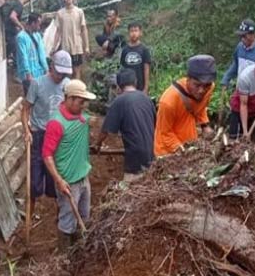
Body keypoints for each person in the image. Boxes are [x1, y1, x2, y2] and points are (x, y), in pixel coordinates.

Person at [42, 79, 96, 249]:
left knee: (84, 215)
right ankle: (64, 258)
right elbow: (47, 155)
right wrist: (59, 181)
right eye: (81, 102)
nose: (83, 106)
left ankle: (79, 251)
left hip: (83, 177)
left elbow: (90, 120)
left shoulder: (82, 117)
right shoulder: (56, 123)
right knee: (67, 220)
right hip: (68, 182)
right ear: (70, 99)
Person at [21, 50, 72, 215]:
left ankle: (61, 216)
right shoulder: (37, 84)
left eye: (64, 74)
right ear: (51, 67)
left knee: (56, 179)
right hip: (39, 135)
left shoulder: (67, 85)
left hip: (57, 137)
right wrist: (26, 130)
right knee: (34, 181)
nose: (61, 77)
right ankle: (30, 211)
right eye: (58, 73)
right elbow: (25, 109)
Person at [94, 69, 156, 182]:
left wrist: (97, 144)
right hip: (152, 156)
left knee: (131, 194)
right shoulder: (147, 100)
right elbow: (155, 125)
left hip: (135, 160)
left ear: (118, 86)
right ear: (136, 82)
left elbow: (105, 131)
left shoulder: (119, 102)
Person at [154, 55, 216, 156]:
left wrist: (204, 125)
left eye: (206, 85)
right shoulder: (168, 101)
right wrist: (182, 150)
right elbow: (164, 133)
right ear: (188, 79)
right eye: (197, 85)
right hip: (167, 151)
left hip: (190, 144)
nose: (201, 90)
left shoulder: (209, 88)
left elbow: (201, 107)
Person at [221, 19, 255, 93]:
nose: (242, 39)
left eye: (244, 36)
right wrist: (226, 79)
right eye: (241, 36)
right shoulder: (240, 47)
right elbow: (236, 64)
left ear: (252, 34)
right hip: (240, 91)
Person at [53, 0, 89, 80]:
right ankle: (67, 91)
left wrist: (86, 46)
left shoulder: (79, 12)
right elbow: (58, 31)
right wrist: (54, 46)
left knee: (77, 70)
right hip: (65, 47)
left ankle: (77, 92)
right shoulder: (60, 13)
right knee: (66, 71)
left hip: (77, 47)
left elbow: (84, 29)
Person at [15, 13, 48, 96]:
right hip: (28, 75)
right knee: (30, 98)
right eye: (38, 25)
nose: (39, 27)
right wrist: (28, 73)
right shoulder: (21, 37)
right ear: (33, 23)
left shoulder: (37, 36)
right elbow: (23, 57)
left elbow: (42, 54)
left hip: (39, 72)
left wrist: (46, 69)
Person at [120, 22, 151, 94]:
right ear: (128, 33)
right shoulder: (125, 50)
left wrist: (146, 88)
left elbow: (146, 69)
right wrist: (120, 85)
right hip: (127, 86)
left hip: (140, 86)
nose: (134, 33)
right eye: (131, 31)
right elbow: (123, 68)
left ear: (140, 33)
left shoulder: (144, 49)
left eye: (136, 31)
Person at [2, 0, 24, 66]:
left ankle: (7, 60)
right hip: (10, 30)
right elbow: (13, 17)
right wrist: (21, 27)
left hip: (2, 29)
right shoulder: (19, 5)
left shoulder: (8, 3)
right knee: (15, 46)